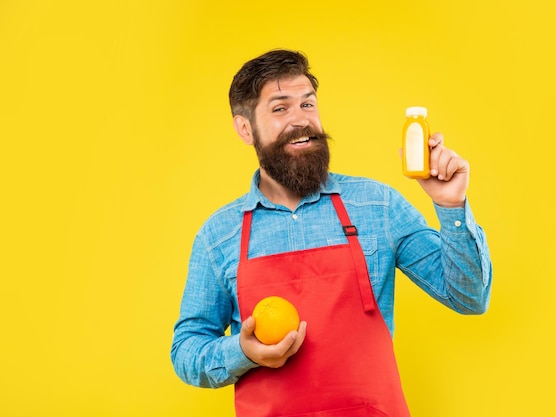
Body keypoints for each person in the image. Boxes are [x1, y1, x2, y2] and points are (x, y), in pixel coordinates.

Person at [171, 49, 492, 417]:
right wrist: (242, 352)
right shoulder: (219, 236)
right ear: (246, 128)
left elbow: (469, 297)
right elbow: (186, 351)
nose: (300, 120)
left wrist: (451, 206)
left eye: (308, 104)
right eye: (280, 109)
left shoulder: (377, 206)